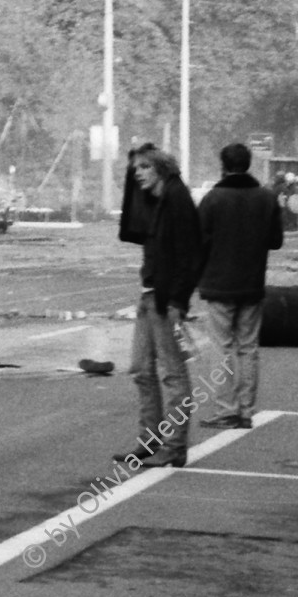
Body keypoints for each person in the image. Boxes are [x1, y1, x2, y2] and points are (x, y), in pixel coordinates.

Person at [115, 145, 204, 469]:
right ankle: (149, 441)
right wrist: (131, 173)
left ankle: (175, 446)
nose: (138, 173)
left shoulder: (177, 199)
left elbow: (193, 254)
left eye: (144, 167)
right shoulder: (157, 200)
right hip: (149, 294)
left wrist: (179, 300)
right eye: (135, 168)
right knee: (140, 368)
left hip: (166, 300)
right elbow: (130, 230)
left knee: (173, 375)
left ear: (161, 169)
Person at [196, 142, 283, 430]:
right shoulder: (267, 198)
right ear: (249, 164)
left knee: (221, 348)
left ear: (223, 166)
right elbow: (276, 241)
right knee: (248, 348)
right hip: (252, 284)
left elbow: (199, 241)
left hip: (218, 285)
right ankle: (246, 411)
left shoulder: (212, 199)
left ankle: (226, 410)